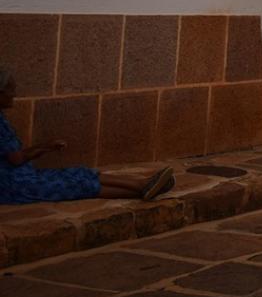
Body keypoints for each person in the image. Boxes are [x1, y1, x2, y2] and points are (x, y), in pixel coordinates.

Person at [0, 66, 175, 204]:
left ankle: (142, 185)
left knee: (79, 173)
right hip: (13, 184)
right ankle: (142, 188)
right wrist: (45, 147)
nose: (14, 94)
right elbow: (16, 158)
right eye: (10, 90)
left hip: (20, 177)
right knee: (77, 184)